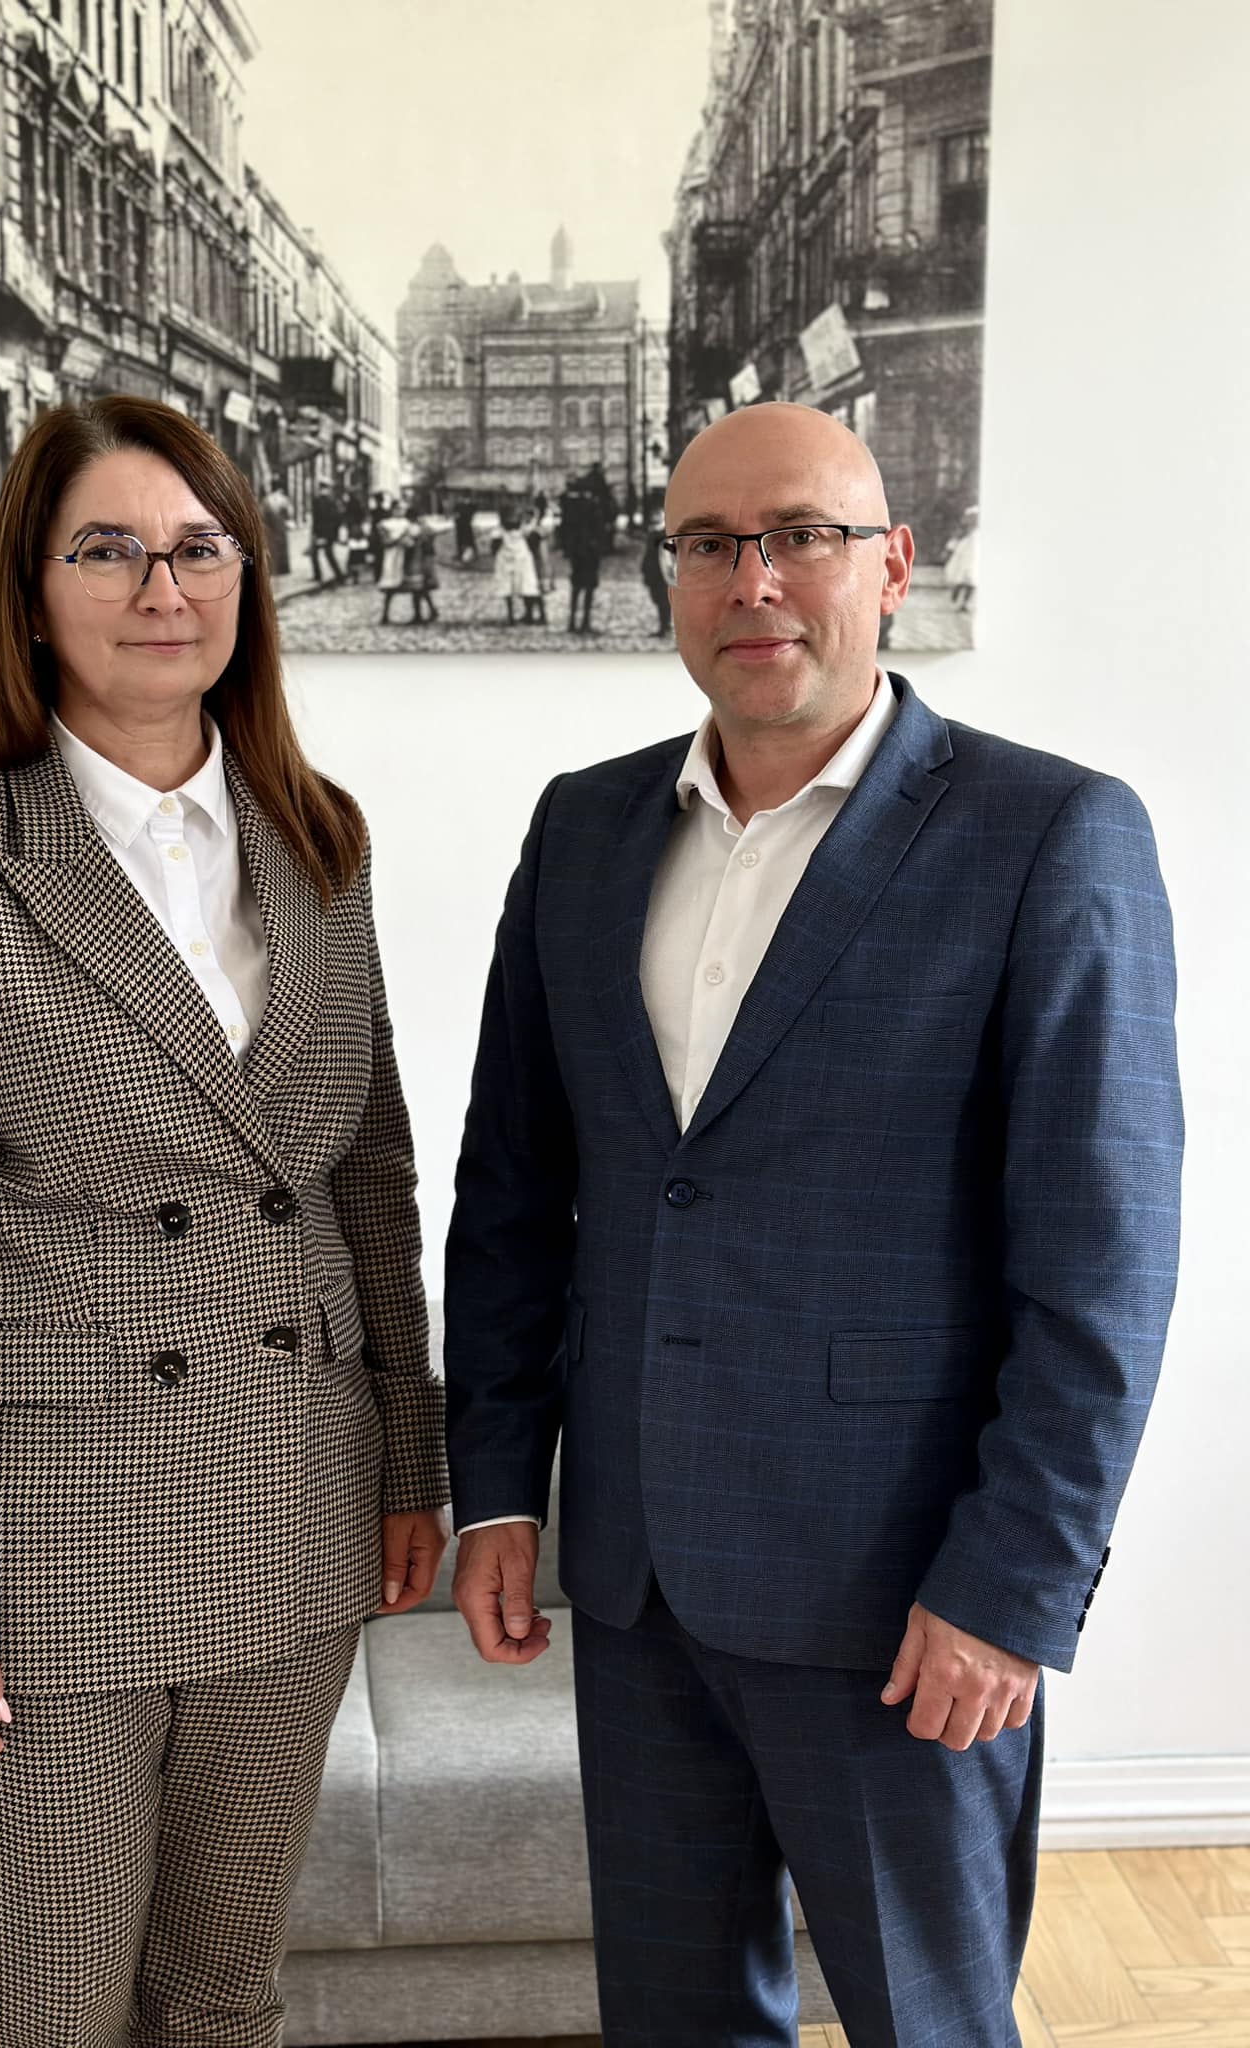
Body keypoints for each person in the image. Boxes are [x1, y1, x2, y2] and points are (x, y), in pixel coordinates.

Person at [443, 402, 1182, 2046]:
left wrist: (1013, 1584)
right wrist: (496, 1486)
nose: (754, 580)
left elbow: (1103, 1263)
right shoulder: (584, 829)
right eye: (710, 544)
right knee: (674, 2019)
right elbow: (513, 1194)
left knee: (928, 2023)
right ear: (666, 576)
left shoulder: (1048, 832)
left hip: (901, 1587)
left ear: (892, 566)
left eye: (801, 536)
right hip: (636, 1578)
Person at [0, 394, 450, 2045]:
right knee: (48, 2010)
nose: (162, 588)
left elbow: (368, 1185)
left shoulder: (318, 838)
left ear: (246, 579)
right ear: (30, 596)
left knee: (222, 1998)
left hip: (293, 1491)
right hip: (47, 1537)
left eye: (197, 548)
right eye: (106, 550)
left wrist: (409, 1460)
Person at [558, 468, 611, 634]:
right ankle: (585, 622)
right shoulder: (593, 505)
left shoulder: (571, 506)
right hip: (590, 552)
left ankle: (572, 621)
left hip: (577, 552)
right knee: (588, 587)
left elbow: (564, 529)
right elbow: (600, 529)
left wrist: (568, 550)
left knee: (576, 586)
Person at [493, 508, 543, 625]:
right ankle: (527, 614)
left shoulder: (500, 532)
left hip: (508, 560)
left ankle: (513, 616)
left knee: (510, 588)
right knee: (525, 586)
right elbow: (535, 535)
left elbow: (494, 547)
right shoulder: (523, 531)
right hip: (521, 559)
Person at [944, 501, 980, 611]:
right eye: (971, 518)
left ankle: (965, 603)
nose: (973, 520)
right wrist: (950, 548)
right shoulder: (964, 530)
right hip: (963, 553)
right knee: (959, 577)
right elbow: (956, 538)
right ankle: (955, 593)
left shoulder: (980, 531)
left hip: (975, 554)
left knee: (972, 579)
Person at [308, 485, 344, 585]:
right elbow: (338, 519)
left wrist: (315, 533)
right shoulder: (332, 502)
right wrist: (335, 533)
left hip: (323, 533)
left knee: (318, 554)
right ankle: (338, 576)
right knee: (326, 554)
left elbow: (316, 519)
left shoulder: (319, 501)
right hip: (327, 534)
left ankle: (320, 576)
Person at [260, 473, 294, 576]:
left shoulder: (266, 500)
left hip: (270, 527)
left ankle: (273, 568)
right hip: (281, 526)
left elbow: (262, 515)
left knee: (272, 547)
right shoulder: (284, 499)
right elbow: (289, 513)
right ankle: (283, 569)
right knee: (282, 546)